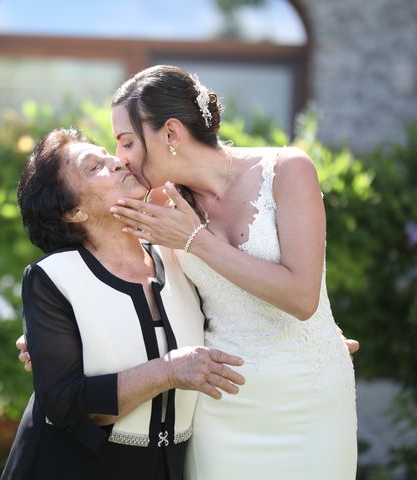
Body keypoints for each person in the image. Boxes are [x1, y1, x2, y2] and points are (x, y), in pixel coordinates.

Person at [105, 65, 358, 479]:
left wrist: (195, 240)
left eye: (128, 142)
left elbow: (302, 298)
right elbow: (125, 278)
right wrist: (59, 327)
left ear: (170, 133)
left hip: (310, 399)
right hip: (222, 403)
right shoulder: (161, 210)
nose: (121, 158)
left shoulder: (287, 170)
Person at [1, 128, 246, 480]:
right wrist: (169, 370)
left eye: (108, 153)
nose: (117, 162)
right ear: (73, 212)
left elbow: (229, 324)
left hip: (174, 466)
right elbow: (64, 403)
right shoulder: (53, 277)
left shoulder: (180, 256)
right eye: (93, 167)